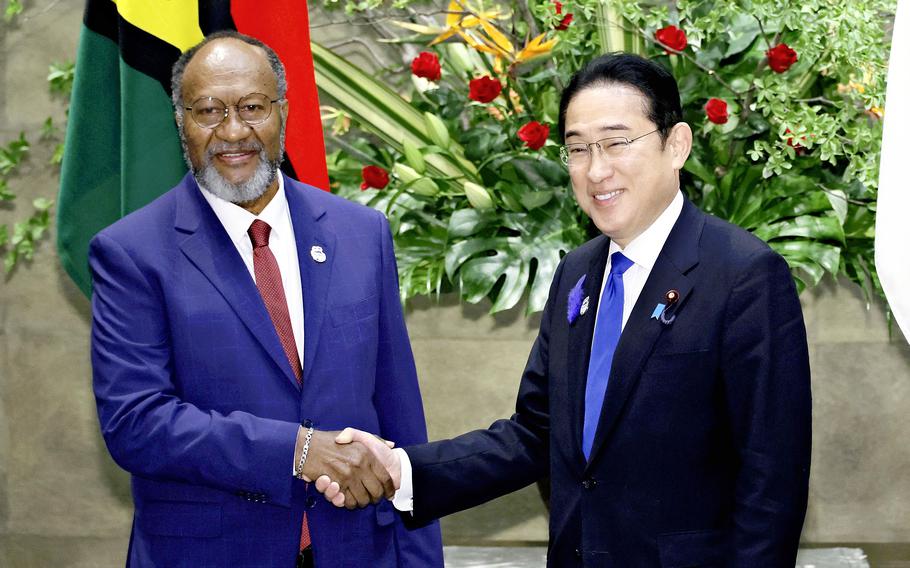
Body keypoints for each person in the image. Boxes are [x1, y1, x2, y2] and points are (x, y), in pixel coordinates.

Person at [330, 53, 812, 567]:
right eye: (578, 149)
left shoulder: (743, 275)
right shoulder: (577, 274)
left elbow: (772, 481)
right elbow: (536, 432)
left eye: (617, 142)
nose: (596, 169)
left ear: (677, 145)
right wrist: (402, 470)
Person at [89, 31, 443, 568]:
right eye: (208, 110)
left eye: (252, 107)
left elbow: (402, 424)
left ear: (282, 111)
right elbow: (136, 423)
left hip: (358, 552)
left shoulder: (360, 233)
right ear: (180, 120)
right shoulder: (132, 253)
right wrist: (298, 451)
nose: (233, 131)